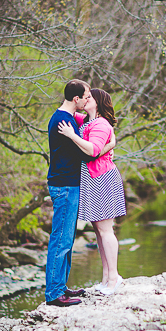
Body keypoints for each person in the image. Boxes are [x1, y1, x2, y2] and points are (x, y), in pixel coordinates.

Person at [58, 88, 126, 295]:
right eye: (85, 97)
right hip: (92, 180)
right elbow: (69, 110)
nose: (86, 100)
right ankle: (106, 278)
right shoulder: (87, 121)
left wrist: (71, 135)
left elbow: (93, 150)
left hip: (103, 178)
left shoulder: (100, 124)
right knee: (98, 231)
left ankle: (114, 278)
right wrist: (112, 142)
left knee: (106, 230)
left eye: (90, 97)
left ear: (98, 102)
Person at [45, 79, 92, 306]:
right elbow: (85, 153)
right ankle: (54, 294)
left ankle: (61, 286)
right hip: (64, 186)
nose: (87, 100)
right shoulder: (63, 121)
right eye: (86, 97)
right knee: (60, 240)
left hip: (67, 184)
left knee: (67, 240)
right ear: (76, 99)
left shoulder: (67, 118)